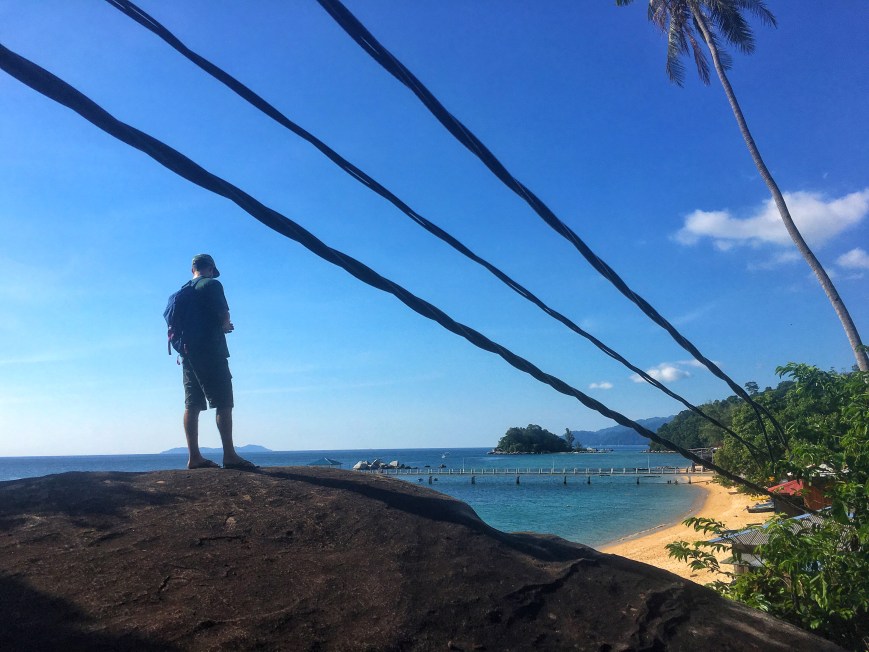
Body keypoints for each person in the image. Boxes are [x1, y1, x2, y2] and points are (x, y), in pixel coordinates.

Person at [180, 254, 257, 471]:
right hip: (211, 352)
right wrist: (225, 326)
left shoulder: (182, 291)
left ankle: (194, 457)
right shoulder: (212, 284)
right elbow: (224, 313)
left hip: (187, 354)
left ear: (192, 269)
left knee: (192, 403)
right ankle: (230, 455)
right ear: (211, 268)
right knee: (223, 401)